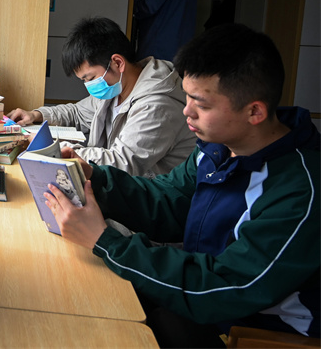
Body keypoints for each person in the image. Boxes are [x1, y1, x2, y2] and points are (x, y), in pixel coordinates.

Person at [45, 23, 320, 348]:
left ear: (255, 111)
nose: (186, 111)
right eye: (187, 97)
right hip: (201, 301)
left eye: (201, 105)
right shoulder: (217, 149)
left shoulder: (299, 191)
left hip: (252, 330)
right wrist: (96, 178)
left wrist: (105, 242)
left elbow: (226, 287)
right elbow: (168, 200)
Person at [7, 16, 195, 177]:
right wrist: (36, 115)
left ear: (117, 63)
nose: (88, 86)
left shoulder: (157, 105)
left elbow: (122, 162)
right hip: (117, 185)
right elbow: (77, 113)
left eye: (90, 78)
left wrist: (51, 146)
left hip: (149, 200)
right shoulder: (117, 87)